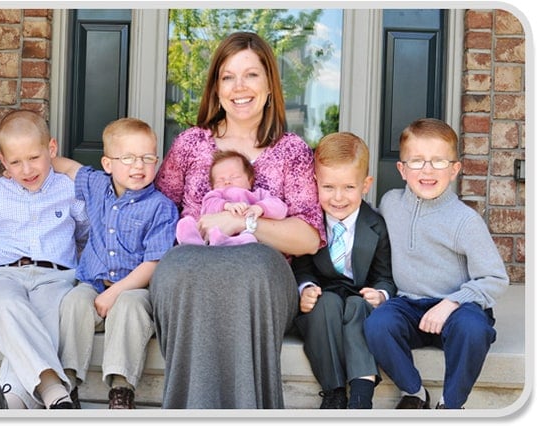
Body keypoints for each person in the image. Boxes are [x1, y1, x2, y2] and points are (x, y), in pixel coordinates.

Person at [151, 31, 325, 408]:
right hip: (192, 270)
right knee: (182, 270)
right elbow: (157, 216)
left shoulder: (291, 151)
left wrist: (245, 226)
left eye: (251, 75)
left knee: (246, 271)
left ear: (269, 85)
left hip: (261, 276)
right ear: (215, 88)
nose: (238, 87)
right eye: (227, 77)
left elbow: (309, 236)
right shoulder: (189, 144)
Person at [0, 110, 89, 409]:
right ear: (3, 162)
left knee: (46, 318)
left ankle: (11, 400)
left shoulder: (70, 189)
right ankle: (54, 392)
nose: (26, 169)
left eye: (34, 158)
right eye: (15, 162)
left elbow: (86, 236)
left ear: (51, 149)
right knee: (8, 307)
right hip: (2, 275)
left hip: (55, 276)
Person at [364, 118, 509, 409]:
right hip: (408, 305)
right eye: (416, 161)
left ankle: (450, 404)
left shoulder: (464, 220)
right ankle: (414, 392)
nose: (427, 170)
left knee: (474, 329)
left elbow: (495, 279)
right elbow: (369, 231)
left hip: (456, 309)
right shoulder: (390, 203)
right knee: (377, 324)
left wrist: (452, 303)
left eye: (438, 162)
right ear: (402, 170)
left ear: (454, 169)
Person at [51, 118, 178, 409]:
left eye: (148, 158)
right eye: (129, 158)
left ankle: (121, 390)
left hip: (136, 289)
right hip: (94, 285)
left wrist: (116, 292)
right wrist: (35, 163)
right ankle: (68, 384)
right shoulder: (96, 185)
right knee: (73, 301)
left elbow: (153, 263)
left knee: (129, 306)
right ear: (108, 164)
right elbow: (69, 168)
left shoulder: (161, 207)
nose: (139, 166)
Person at [292, 132, 397, 410]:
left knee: (356, 306)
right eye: (328, 187)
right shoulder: (308, 223)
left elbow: (384, 275)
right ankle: (334, 391)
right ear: (315, 183)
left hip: (359, 299)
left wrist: (382, 294)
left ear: (366, 185)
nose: (338, 198)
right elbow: (302, 267)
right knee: (326, 304)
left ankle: (362, 397)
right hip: (323, 301)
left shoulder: (376, 225)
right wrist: (305, 289)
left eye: (349, 187)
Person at [176, 149, 288, 246]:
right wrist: (226, 205)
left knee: (249, 239)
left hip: (245, 241)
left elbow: (280, 208)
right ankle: (192, 242)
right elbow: (209, 205)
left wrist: (259, 208)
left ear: (250, 181)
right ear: (212, 186)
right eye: (220, 180)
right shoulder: (217, 195)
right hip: (212, 237)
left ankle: (229, 242)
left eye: (235, 177)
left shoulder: (258, 195)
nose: (227, 181)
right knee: (187, 223)